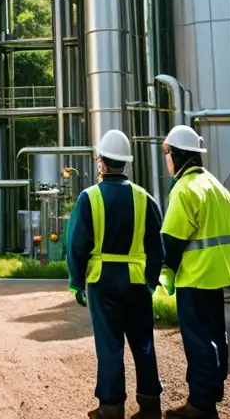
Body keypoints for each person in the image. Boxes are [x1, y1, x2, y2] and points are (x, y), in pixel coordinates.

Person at [66, 129, 165, 419]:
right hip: (136, 281)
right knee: (143, 343)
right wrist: (151, 280)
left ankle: (111, 407)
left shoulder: (89, 197)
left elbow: (77, 244)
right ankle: (150, 404)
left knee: (110, 345)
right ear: (126, 163)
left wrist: (76, 282)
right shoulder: (144, 198)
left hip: (102, 282)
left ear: (101, 163)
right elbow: (156, 247)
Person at [157, 125, 230, 419]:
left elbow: (172, 238)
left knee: (197, 338)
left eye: (167, 153)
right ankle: (211, 392)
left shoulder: (185, 189)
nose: (166, 158)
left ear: (178, 155)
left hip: (194, 276)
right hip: (217, 275)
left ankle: (200, 404)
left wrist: (165, 269)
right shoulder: (217, 188)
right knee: (216, 335)